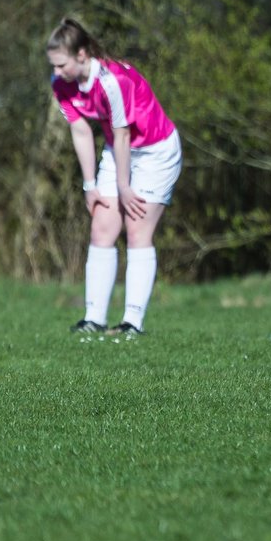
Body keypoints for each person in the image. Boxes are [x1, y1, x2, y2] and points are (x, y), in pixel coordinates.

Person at [46, 17, 183, 336]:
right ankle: (93, 319)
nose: (56, 73)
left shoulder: (112, 80)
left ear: (81, 54)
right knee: (102, 225)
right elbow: (80, 131)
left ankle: (132, 323)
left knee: (137, 230)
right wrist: (90, 185)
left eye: (61, 64)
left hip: (155, 151)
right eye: (52, 65)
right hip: (118, 149)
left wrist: (123, 187)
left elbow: (123, 134)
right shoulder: (61, 86)